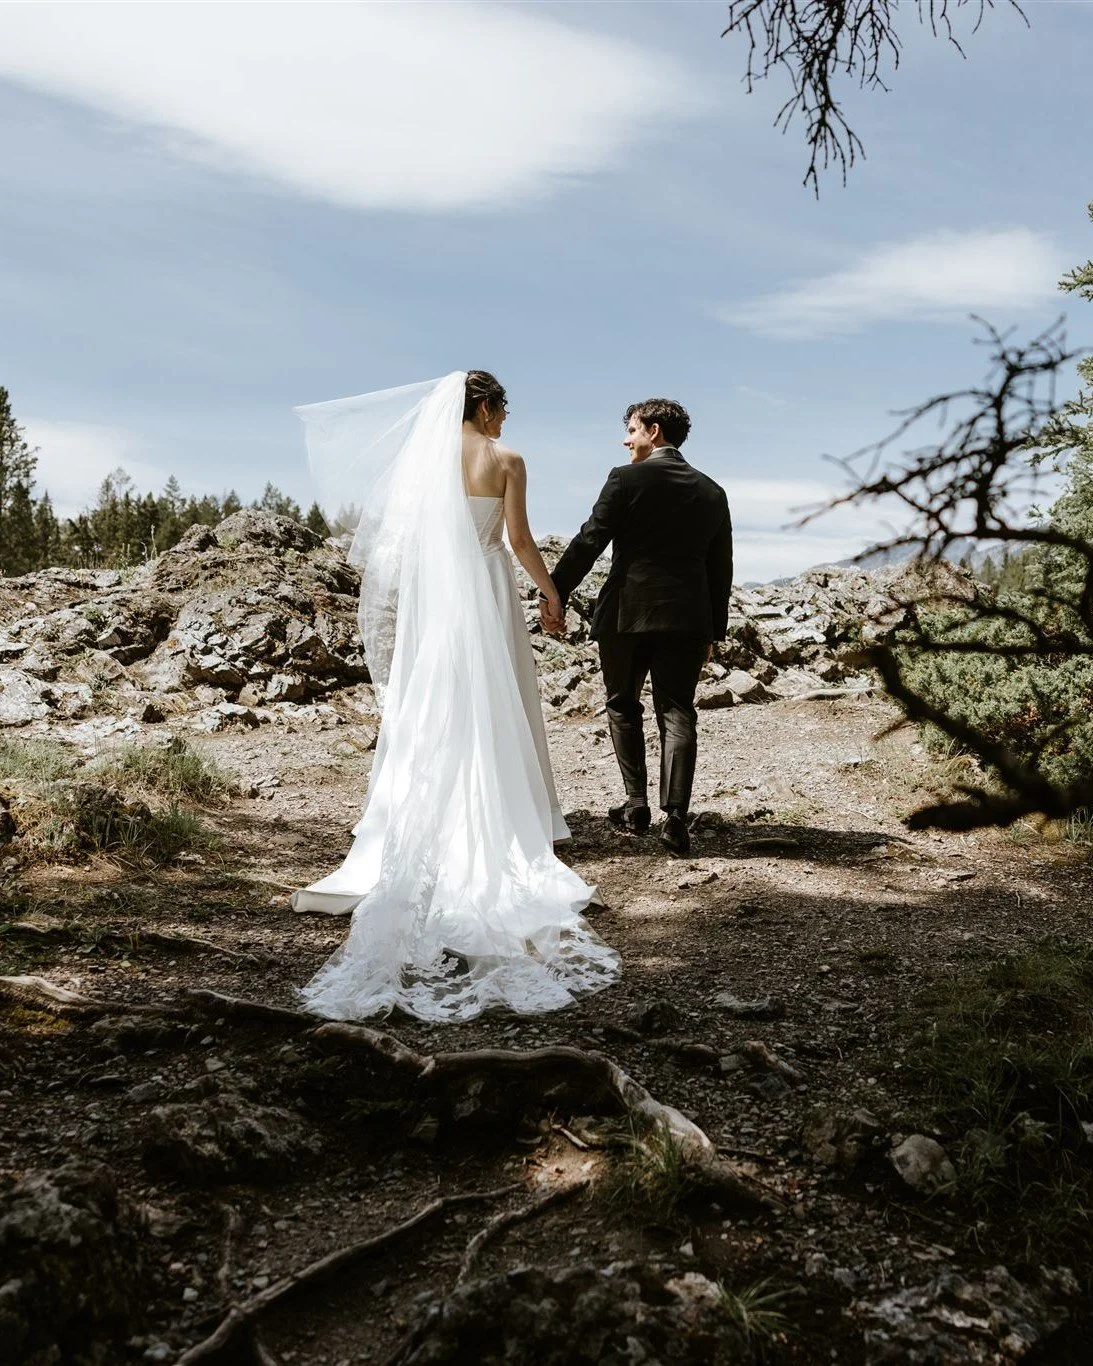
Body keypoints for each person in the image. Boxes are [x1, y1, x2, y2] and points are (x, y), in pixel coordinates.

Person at [290, 370, 619, 1022]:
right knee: (495, 703)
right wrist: (551, 592)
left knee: (433, 704)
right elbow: (516, 540)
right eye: (502, 409)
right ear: (487, 407)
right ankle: (500, 818)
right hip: (489, 588)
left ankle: (413, 824)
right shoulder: (505, 458)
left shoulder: (427, 461)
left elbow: (406, 542)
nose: (504, 421)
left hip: (438, 603)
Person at [546, 399, 733, 856]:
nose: (625, 439)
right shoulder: (713, 491)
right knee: (677, 710)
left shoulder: (625, 479)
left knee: (622, 704)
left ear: (653, 430)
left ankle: (636, 805)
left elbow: (590, 541)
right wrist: (714, 631)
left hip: (626, 615)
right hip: (688, 620)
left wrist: (554, 592)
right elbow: (720, 568)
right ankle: (676, 819)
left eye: (631, 430)